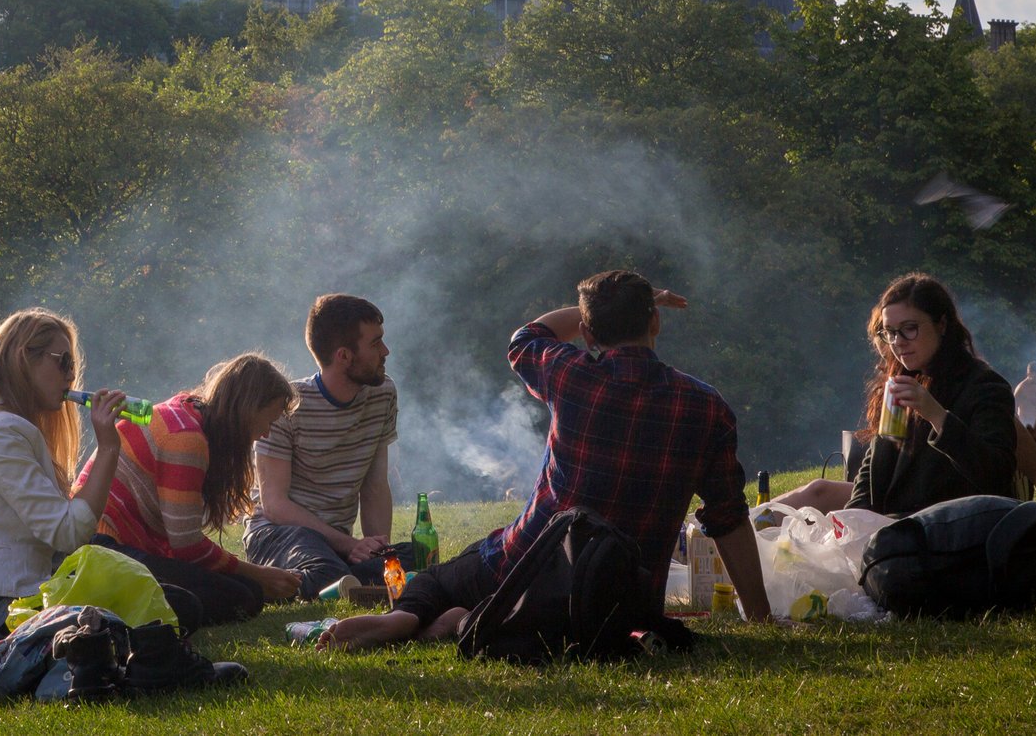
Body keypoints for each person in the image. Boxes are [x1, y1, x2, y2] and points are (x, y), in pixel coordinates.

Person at [320, 270, 770, 653]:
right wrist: (760, 616)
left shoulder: (572, 374)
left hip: (527, 563)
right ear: (655, 321)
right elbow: (727, 518)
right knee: (536, 615)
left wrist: (596, 313)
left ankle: (406, 619)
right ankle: (466, 623)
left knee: (434, 582)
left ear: (589, 333)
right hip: (623, 599)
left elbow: (527, 337)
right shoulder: (706, 407)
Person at [0, 308, 127, 644]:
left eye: (73, 366)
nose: (71, 377)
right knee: (152, 615)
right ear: (24, 360)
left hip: (0, 600)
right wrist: (108, 448)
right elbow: (68, 532)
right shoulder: (0, 432)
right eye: (62, 362)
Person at [82, 353, 304, 627]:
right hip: (104, 547)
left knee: (247, 592)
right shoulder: (186, 439)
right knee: (242, 596)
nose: (266, 434)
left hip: (117, 546)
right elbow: (187, 546)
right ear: (248, 410)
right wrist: (259, 573)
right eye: (267, 422)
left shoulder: (188, 411)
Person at [244, 294, 404, 599]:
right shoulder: (286, 406)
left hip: (336, 543)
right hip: (278, 533)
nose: (386, 351)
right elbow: (275, 506)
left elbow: (374, 486)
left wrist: (377, 550)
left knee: (414, 561)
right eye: (375, 343)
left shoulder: (383, 394)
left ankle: (353, 582)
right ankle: (272, 582)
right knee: (326, 573)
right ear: (344, 356)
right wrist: (349, 545)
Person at [847, 274, 1018, 517]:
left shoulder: (984, 385)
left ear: (942, 324)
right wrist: (852, 520)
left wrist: (937, 416)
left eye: (909, 329)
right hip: (893, 534)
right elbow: (873, 471)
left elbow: (997, 474)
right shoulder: (902, 382)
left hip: (953, 534)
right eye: (890, 332)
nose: (898, 342)